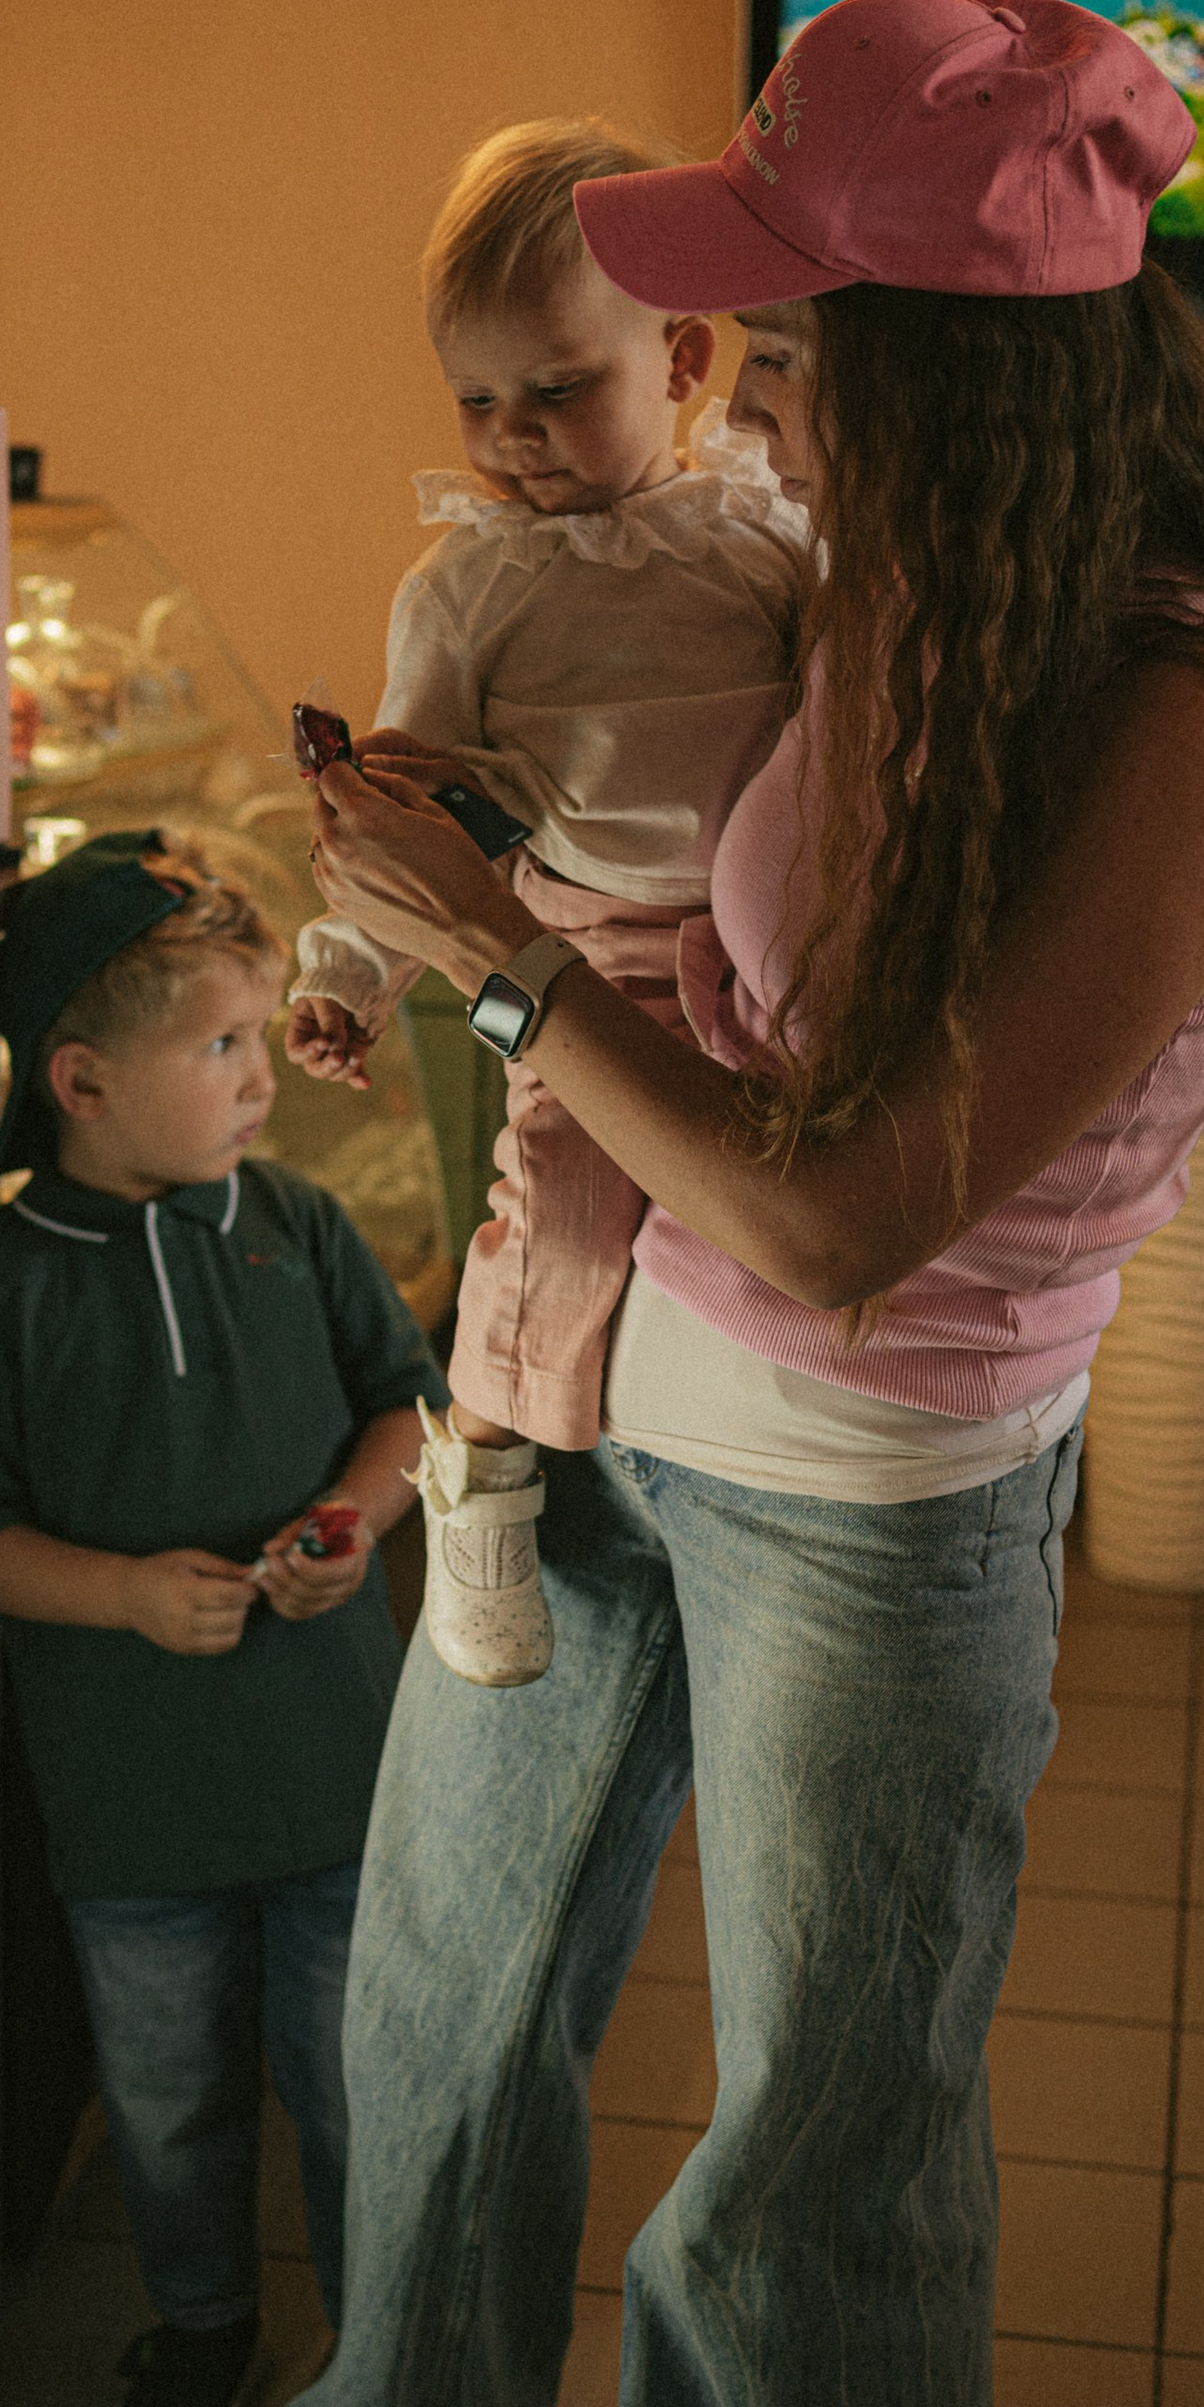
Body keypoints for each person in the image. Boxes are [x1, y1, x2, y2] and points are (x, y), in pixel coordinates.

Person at [172, 0, 1204, 2407]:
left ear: (941, 372)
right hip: (596, 1403)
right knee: (445, 2020)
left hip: (877, 1493)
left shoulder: (1188, 719)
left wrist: (485, 977)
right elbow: (706, 975)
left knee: (816, 2170)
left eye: (792, 347)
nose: (740, 401)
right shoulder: (868, 585)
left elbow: (847, 1217)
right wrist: (474, 887)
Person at [0, 830, 444, 2407]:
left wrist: (354, 1519)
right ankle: (204, 2326)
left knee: (358, 2084)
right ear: (79, 1076)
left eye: (258, 1037)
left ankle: (384, 2352)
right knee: (167, 2096)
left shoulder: (294, 1221)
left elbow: (406, 1408)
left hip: (337, 1770)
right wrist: (129, 1596)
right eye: (219, 1046)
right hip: (130, 1805)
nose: (258, 1081)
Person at [287, 119, 810, 1688]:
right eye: (478, 399)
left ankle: (721, 1469)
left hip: (765, 948)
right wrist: (350, 976)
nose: (513, 437)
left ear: (689, 357)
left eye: (561, 390)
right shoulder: (474, 585)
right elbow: (403, 802)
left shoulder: (768, 531)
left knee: (762, 1215)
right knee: (561, 1224)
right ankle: (486, 1487)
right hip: (570, 952)